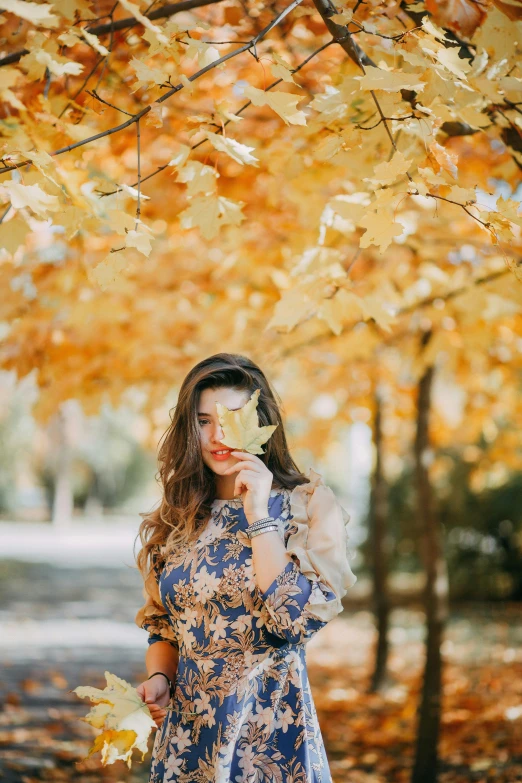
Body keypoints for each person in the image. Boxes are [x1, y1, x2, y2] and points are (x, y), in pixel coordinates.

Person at [134, 353, 357, 783]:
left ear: (262, 422)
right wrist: (160, 677)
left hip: (272, 740)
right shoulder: (179, 515)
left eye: (232, 418)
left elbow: (294, 621)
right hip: (186, 743)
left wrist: (259, 515)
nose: (217, 435)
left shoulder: (307, 507)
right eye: (202, 421)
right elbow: (164, 627)